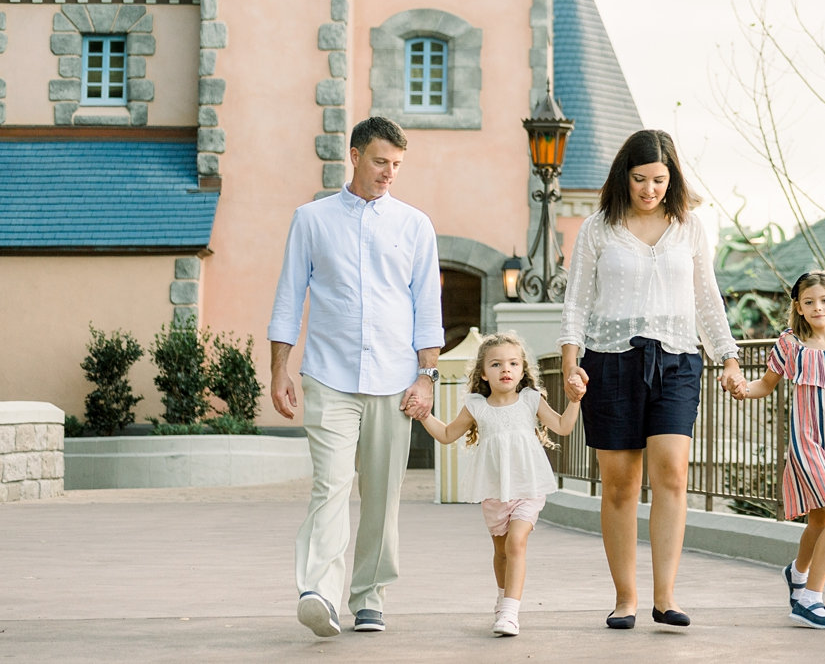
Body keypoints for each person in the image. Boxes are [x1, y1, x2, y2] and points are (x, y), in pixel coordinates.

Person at [558, 129, 745, 629]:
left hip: (678, 360)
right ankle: (626, 598)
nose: (649, 190)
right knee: (620, 486)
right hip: (610, 360)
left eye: (659, 180)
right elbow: (576, 300)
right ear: (625, 176)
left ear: (672, 178)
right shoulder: (599, 228)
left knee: (672, 474)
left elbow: (707, 298)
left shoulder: (689, 227)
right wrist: (570, 361)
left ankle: (667, 598)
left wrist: (727, 356)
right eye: (640, 179)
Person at [267, 116, 443, 638]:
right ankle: (318, 591)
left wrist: (426, 376)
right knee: (330, 485)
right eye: (380, 161)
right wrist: (279, 367)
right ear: (355, 155)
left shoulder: (415, 226)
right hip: (328, 376)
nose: (389, 172)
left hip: (395, 381)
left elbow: (426, 309)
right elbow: (288, 297)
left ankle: (369, 596)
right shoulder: (311, 219)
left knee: (383, 494)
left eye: (396, 165)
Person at [733, 270, 825, 630]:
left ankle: (797, 573)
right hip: (807, 443)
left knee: (821, 520)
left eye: (824, 301)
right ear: (799, 307)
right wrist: (740, 388)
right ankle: (810, 600)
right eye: (808, 302)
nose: (817, 307)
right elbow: (764, 385)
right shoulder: (791, 344)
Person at [416, 333, 579, 636]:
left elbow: (563, 426)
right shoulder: (476, 405)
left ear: (521, 370)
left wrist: (574, 402)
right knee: (502, 551)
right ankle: (504, 596)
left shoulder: (530, 399)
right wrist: (425, 416)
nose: (506, 369)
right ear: (483, 373)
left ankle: (510, 613)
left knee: (517, 543)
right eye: (497, 364)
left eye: (513, 363)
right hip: (494, 491)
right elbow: (448, 434)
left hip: (528, 487)